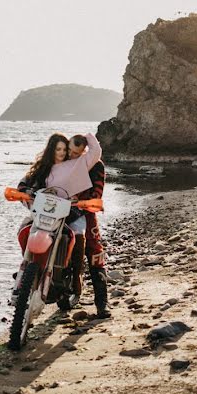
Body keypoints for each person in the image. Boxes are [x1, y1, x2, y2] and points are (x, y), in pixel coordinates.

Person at [15, 132, 102, 301]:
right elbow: (23, 183)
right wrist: (25, 192)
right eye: (58, 149)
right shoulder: (42, 168)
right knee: (24, 229)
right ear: (51, 150)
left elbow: (96, 151)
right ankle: (29, 267)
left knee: (77, 236)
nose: (62, 153)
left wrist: (86, 136)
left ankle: (76, 277)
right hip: (46, 212)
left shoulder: (77, 164)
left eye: (64, 149)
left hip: (71, 212)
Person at [69, 134, 110, 319]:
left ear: (84, 151)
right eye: (69, 151)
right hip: (62, 211)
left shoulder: (96, 165)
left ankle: (102, 303)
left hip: (86, 211)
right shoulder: (61, 163)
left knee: (94, 251)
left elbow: (98, 192)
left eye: (76, 153)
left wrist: (83, 201)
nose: (71, 155)